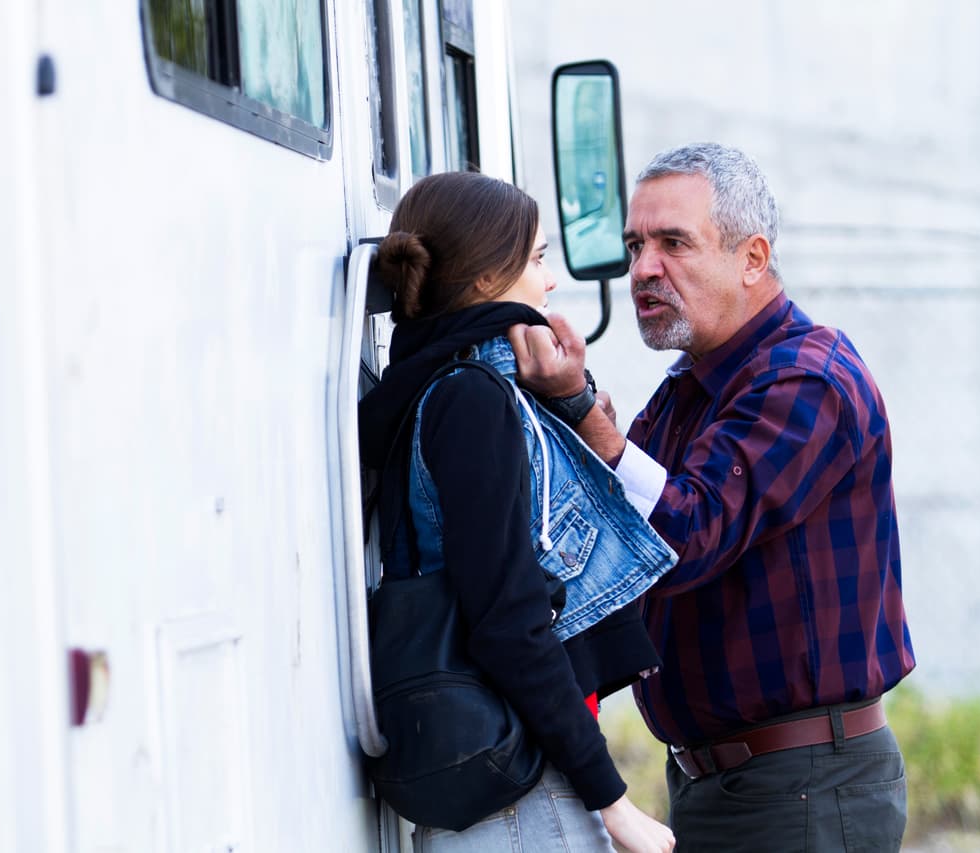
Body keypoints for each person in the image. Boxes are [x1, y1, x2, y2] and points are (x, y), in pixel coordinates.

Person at [510, 142, 916, 852]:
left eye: (673, 243)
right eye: (635, 245)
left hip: (803, 790)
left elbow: (684, 535)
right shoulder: (689, 388)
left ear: (752, 259)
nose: (643, 269)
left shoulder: (806, 380)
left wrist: (581, 409)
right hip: (725, 784)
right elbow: (607, 541)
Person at [358, 170, 676, 853]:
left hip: (503, 791)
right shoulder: (471, 401)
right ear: (481, 281)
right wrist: (613, 800)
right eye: (536, 259)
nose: (552, 279)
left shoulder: (440, 389)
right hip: (522, 798)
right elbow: (510, 621)